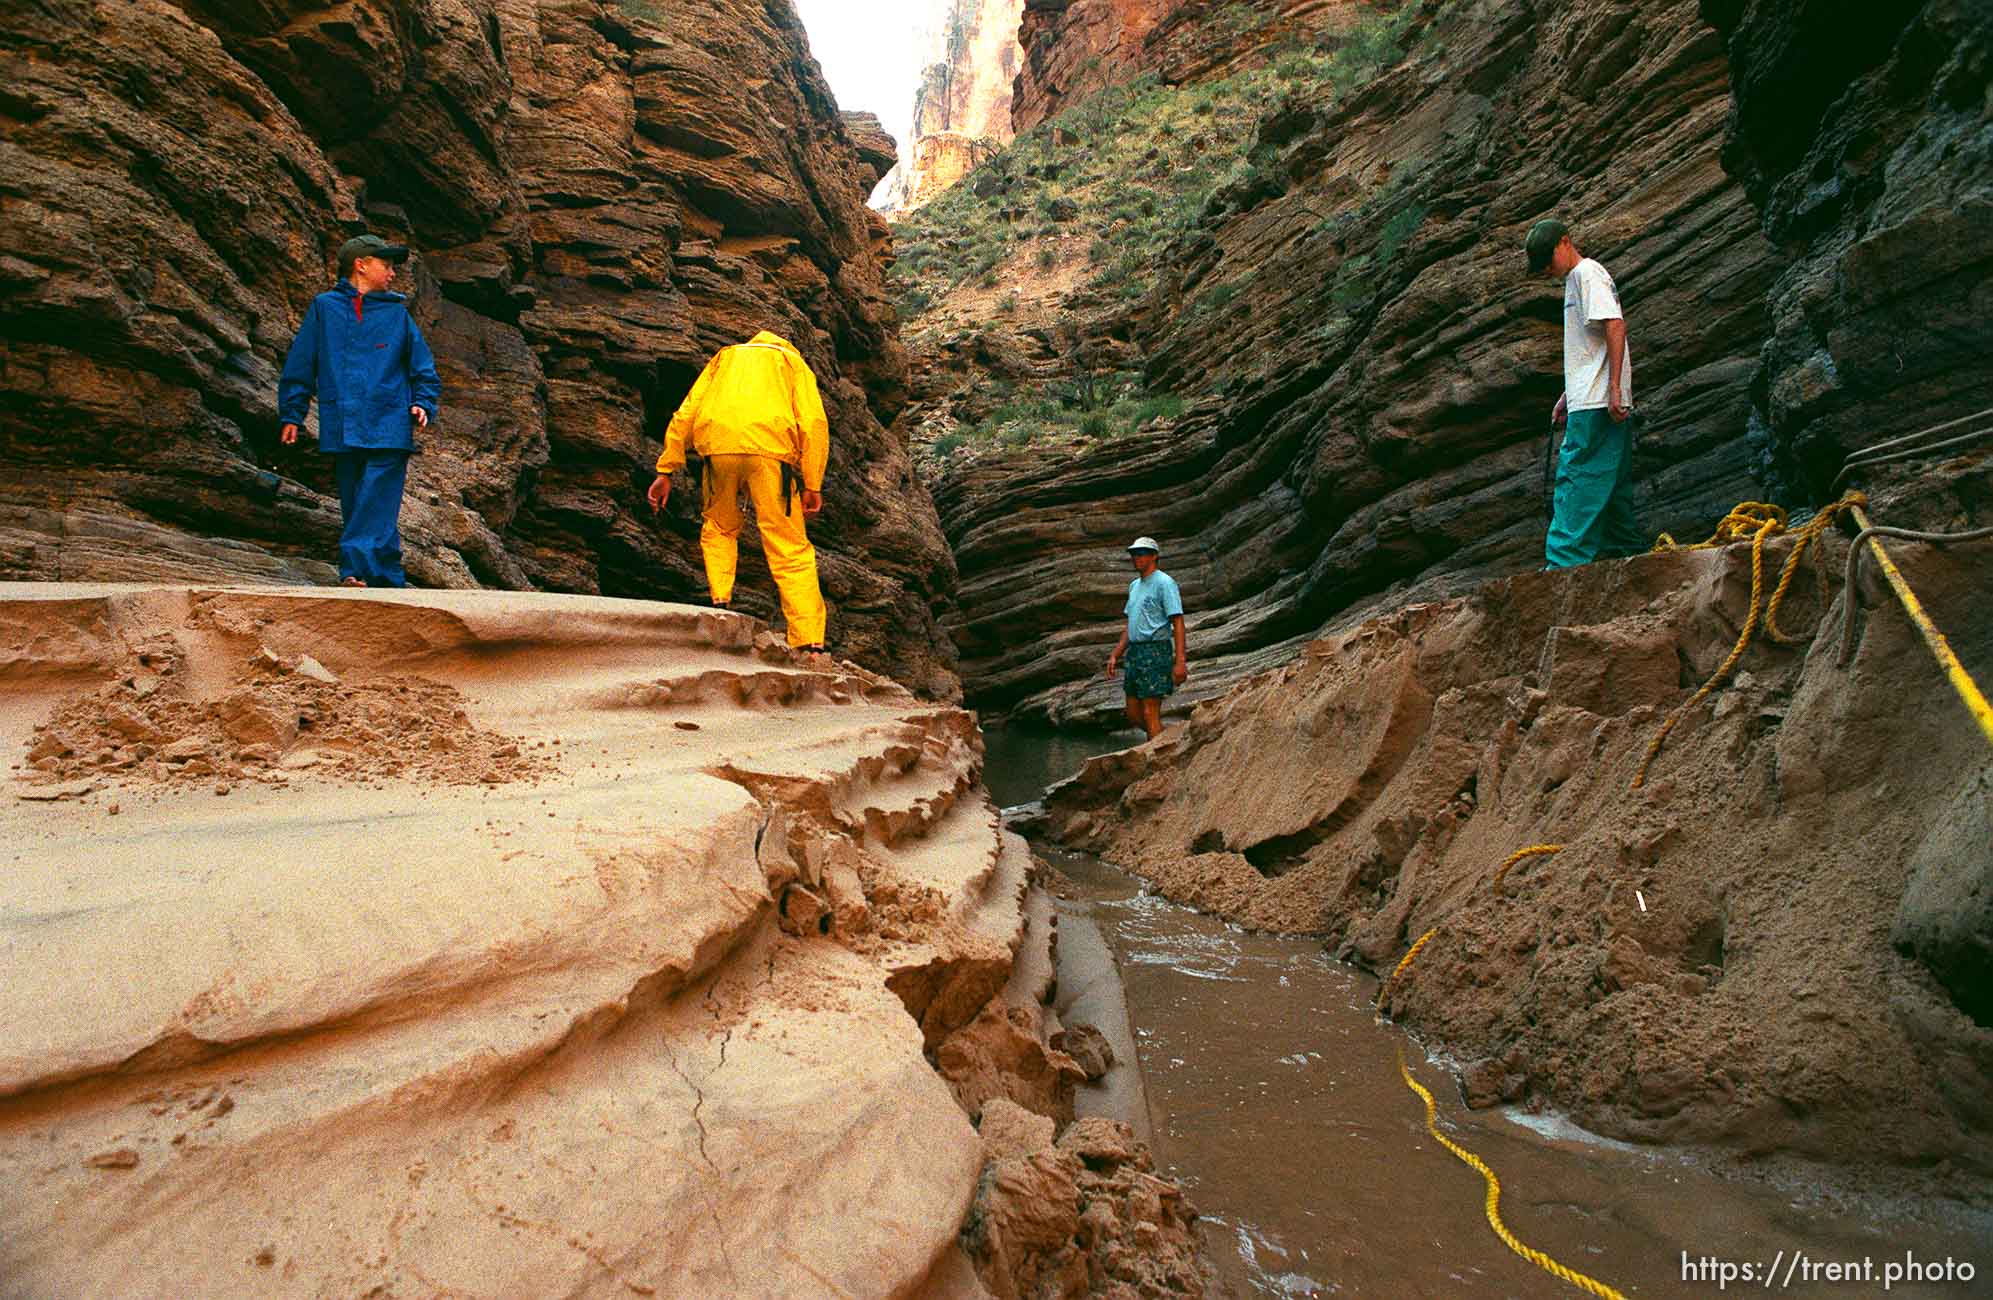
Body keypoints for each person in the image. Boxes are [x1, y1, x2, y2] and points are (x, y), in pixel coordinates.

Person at [646, 331, 830, 652]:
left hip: (719, 451)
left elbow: (687, 411)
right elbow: (813, 422)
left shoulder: (724, 358)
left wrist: (666, 469)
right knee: (789, 546)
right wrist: (812, 483)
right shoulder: (791, 362)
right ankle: (809, 641)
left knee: (718, 526)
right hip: (771, 454)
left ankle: (720, 600)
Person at [278, 234, 440, 588]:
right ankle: (384, 575)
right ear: (361, 264)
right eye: (387, 265)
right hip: (343, 422)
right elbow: (302, 362)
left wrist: (422, 402)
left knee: (377, 497)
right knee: (357, 500)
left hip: (389, 422)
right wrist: (292, 413)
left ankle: (353, 569)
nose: (393, 273)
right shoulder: (324, 308)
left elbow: (423, 367)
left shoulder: (397, 315)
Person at [1525, 218, 1641, 568]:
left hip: (1596, 403)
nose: (1547, 268)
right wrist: (1567, 395)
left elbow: (1615, 325)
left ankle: (1562, 567)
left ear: (1565, 242)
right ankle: (1630, 556)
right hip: (1590, 397)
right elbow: (1590, 349)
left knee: (1577, 480)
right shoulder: (1576, 280)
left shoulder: (1587, 274)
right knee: (1614, 487)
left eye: (1548, 259)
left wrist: (1613, 389)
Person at [1103, 536, 1187, 741]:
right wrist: (1115, 654)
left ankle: (1157, 764)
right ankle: (1165, 740)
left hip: (1156, 650)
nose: (1136, 558)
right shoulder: (1134, 586)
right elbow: (1131, 624)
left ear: (1154, 556)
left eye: (1141, 553)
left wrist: (1180, 662)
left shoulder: (1165, 583)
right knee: (1133, 714)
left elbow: (1178, 622)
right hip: (1135, 653)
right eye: (1134, 554)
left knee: (1150, 712)